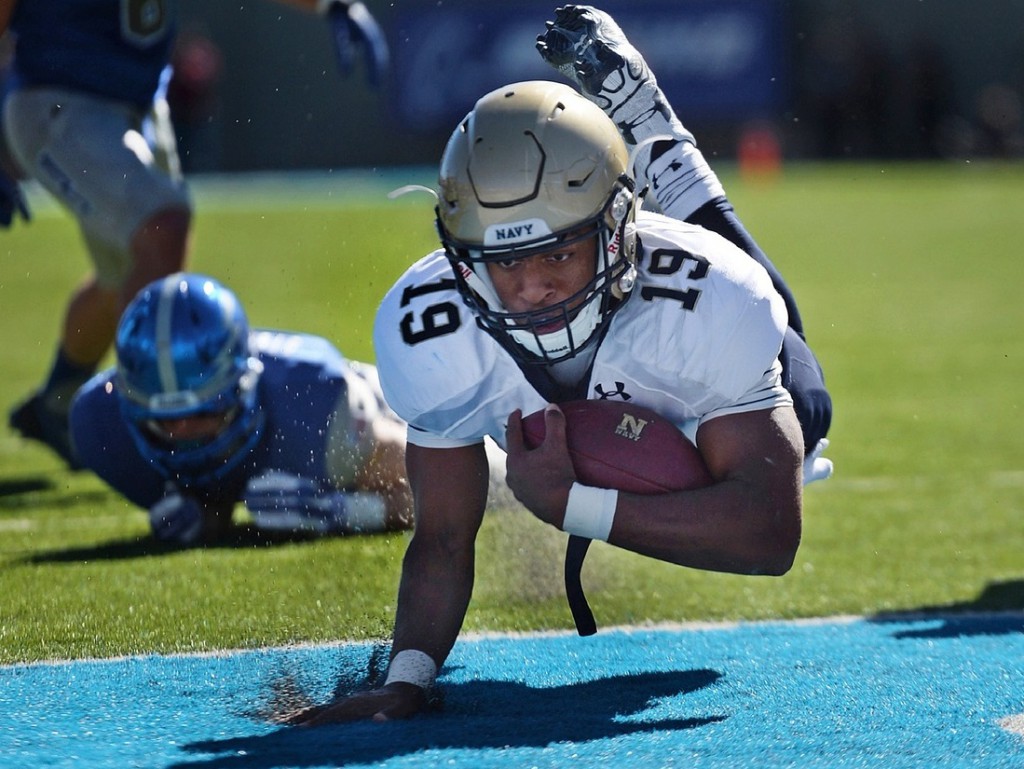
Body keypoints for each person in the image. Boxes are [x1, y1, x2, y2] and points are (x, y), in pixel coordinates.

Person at [287, 5, 834, 724]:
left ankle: (657, 140)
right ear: (461, 255)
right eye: (505, 260)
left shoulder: (710, 301)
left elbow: (769, 533)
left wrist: (573, 505)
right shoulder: (432, 330)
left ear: (614, 232)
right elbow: (442, 534)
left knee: (805, 395)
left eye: (557, 252)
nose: (532, 285)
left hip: (678, 300)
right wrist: (408, 677)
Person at [1, 0, 388, 469]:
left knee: (124, 272)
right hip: (58, 99)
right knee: (162, 227)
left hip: (137, 104)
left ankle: (58, 404)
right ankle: (146, 433)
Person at [69, 272, 415, 545]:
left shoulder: (316, 403)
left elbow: (428, 490)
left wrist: (342, 511)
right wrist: (208, 513)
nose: (184, 435)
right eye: (164, 423)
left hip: (391, 403)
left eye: (205, 413)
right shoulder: (100, 420)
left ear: (242, 386)